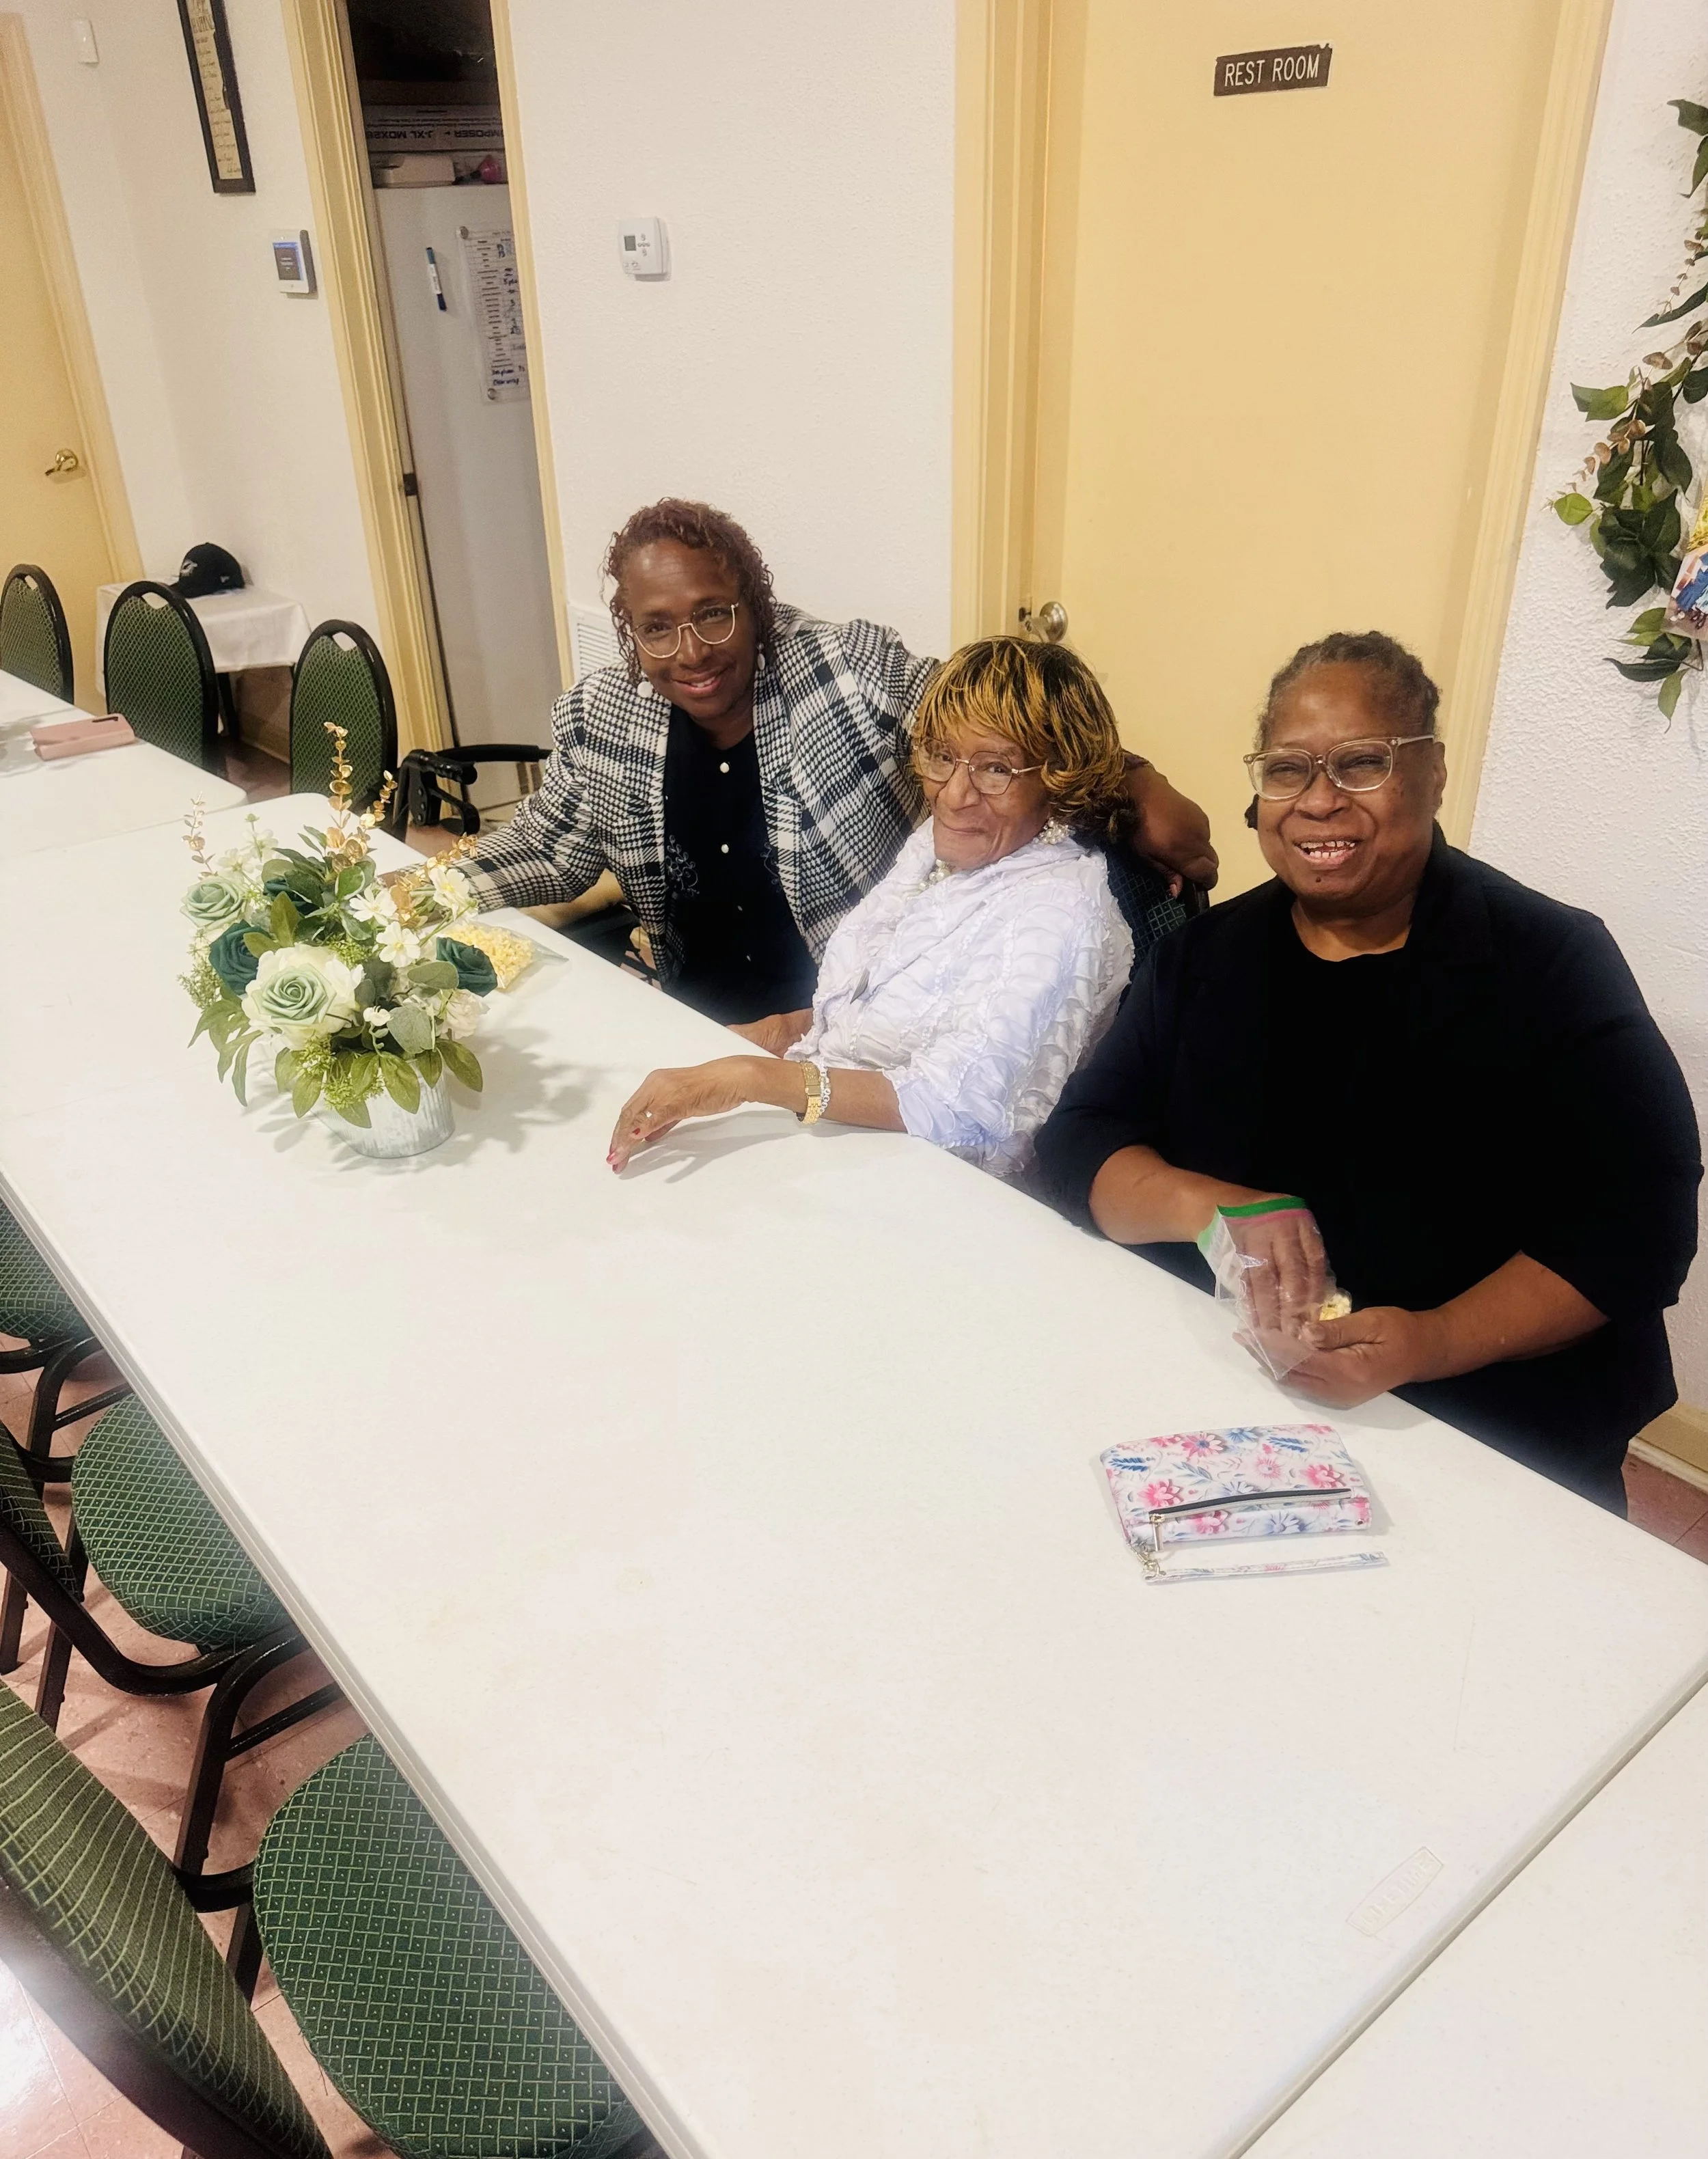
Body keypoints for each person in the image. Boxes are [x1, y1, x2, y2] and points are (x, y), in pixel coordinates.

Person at [1035, 629, 1701, 1513]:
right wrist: (1214, 1204)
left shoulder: (1547, 962)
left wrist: (1431, 1341)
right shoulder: (1205, 960)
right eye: (1286, 770)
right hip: (1241, 1402)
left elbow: (1640, 1228)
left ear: (1432, 775)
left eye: (1361, 763)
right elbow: (1081, 1143)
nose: (1318, 801)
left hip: (1486, 1425)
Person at [460, 498, 1215, 1026]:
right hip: (690, 1017)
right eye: (657, 629)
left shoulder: (846, 672)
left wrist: (1137, 782)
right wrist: (416, 895)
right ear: (630, 636)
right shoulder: (604, 716)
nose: (690, 653)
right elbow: (545, 848)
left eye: (713, 614)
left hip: (849, 1021)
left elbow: (1003, 725)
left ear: (755, 603)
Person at [607, 636, 1135, 1179]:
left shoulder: (1062, 915)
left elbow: (952, 1108)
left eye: (995, 768)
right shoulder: (945, 847)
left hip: (929, 1189)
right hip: (834, 1143)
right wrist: (773, 1034)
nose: (954, 795)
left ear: (1059, 780)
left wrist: (748, 1078)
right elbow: (890, 1009)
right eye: (942, 756)